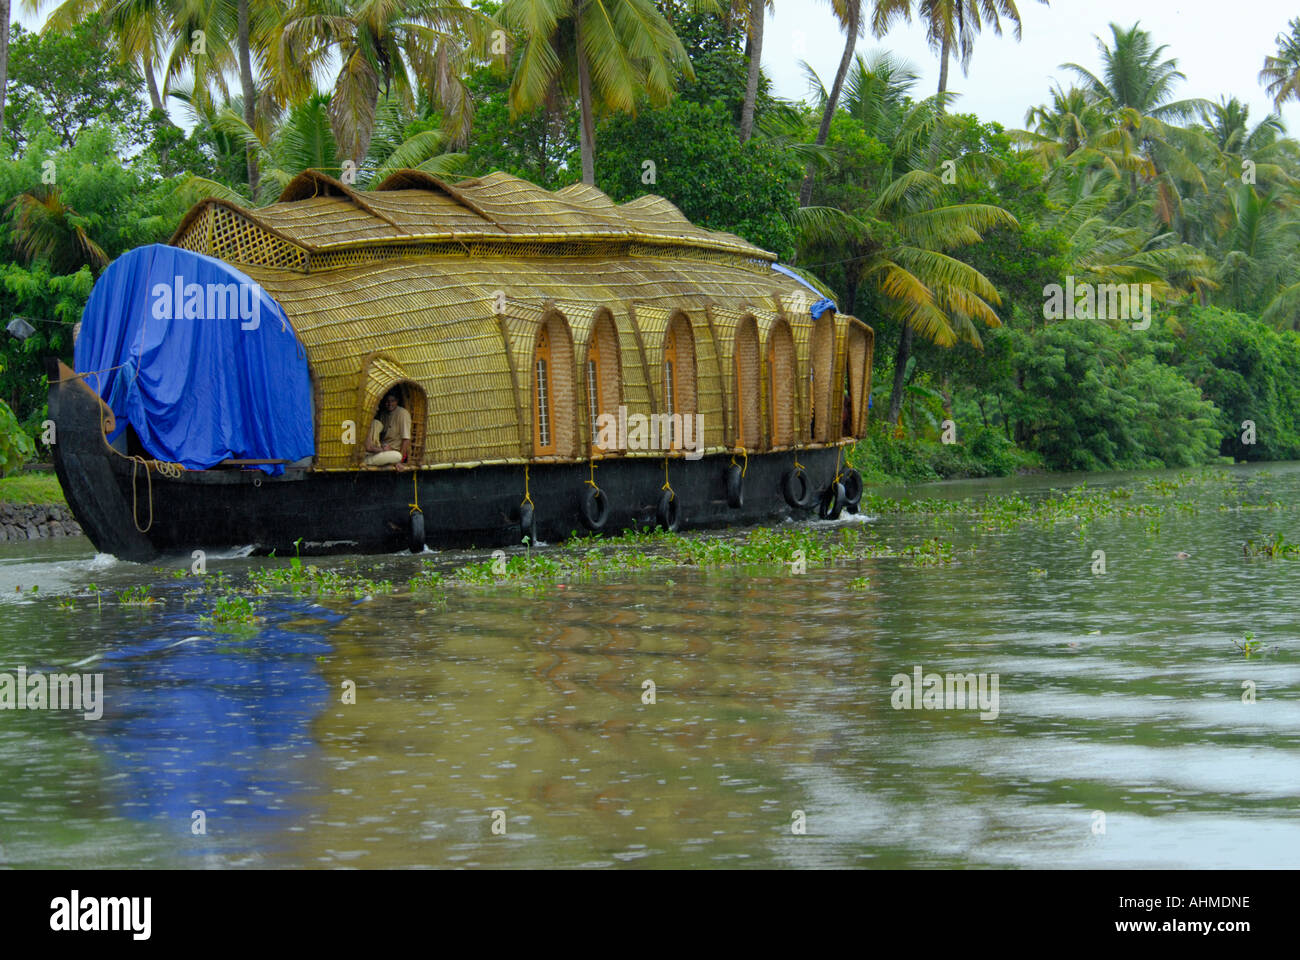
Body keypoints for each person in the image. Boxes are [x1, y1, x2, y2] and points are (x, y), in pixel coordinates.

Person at [364, 391, 412, 468]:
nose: (389, 404)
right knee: (376, 423)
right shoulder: (383, 415)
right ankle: (369, 458)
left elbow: (406, 439)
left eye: (392, 401)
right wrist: (381, 448)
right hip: (381, 449)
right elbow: (379, 439)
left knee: (397, 456)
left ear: (397, 401)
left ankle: (370, 459)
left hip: (393, 451)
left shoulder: (403, 414)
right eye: (387, 401)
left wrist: (400, 461)